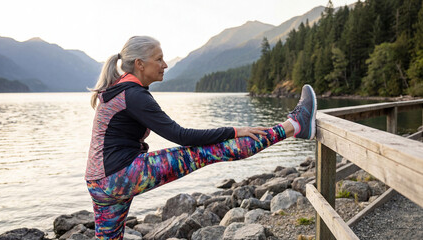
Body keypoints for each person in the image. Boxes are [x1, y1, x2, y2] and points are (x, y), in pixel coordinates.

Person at [86, 36, 317, 239]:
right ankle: (294, 126)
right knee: (209, 151)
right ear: (140, 64)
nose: (164, 64)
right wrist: (233, 130)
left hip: (97, 183)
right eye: (159, 59)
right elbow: (181, 135)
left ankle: (295, 126)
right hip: (120, 175)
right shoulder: (133, 94)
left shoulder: (116, 89)